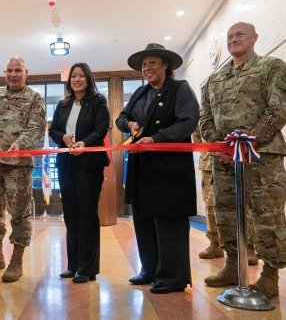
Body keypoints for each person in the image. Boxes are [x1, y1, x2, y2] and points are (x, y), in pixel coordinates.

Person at [200, 22, 286, 299]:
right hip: (224, 159)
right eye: (230, 36)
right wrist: (218, 144)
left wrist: (250, 139)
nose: (234, 39)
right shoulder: (215, 79)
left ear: (254, 38)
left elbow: (279, 107)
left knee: (267, 215)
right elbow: (206, 117)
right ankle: (232, 265)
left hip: (262, 155)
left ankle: (270, 275)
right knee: (225, 213)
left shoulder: (272, 67)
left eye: (240, 35)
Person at [116, 43, 199, 294]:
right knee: (143, 219)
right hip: (143, 168)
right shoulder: (141, 93)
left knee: (169, 221)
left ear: (165, 65)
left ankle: (173, 277)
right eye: (143, 64)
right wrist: (129, 124)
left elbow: (189, 121)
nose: (146, 68)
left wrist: (156, 139)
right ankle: (149, 270)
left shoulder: (180, 89)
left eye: (152, 62)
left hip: (169, 168)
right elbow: (120, 118)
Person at [0, 56, 45, 283]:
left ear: (26, 73)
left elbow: (36, 127)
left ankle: (16, 260)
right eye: (9, 71)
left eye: (18, 70)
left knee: (19, 213)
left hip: (19, 166)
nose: (13, 74)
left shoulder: (34, 98)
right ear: (4, 73)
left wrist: (21, 144)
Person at [49, 63, 110, 283]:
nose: (77, 79)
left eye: (81, 76)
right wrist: (63, 138)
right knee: (71, 215)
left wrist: (84, 143)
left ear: (88, 79)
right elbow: (53, 129)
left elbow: (102, 129)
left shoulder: (98, 101)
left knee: (87, 214)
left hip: (89, 165)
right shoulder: (63, 104)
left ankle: (87, 268)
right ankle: (72, 265)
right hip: (66, 164)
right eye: (73, 76)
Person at [192, 128, 259, 264]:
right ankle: (215, 244)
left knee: (244, 204)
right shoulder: (204, 115)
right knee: (211, 206)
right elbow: (197, 138)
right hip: (209, 163)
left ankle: (249, 247)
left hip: (239, 161)